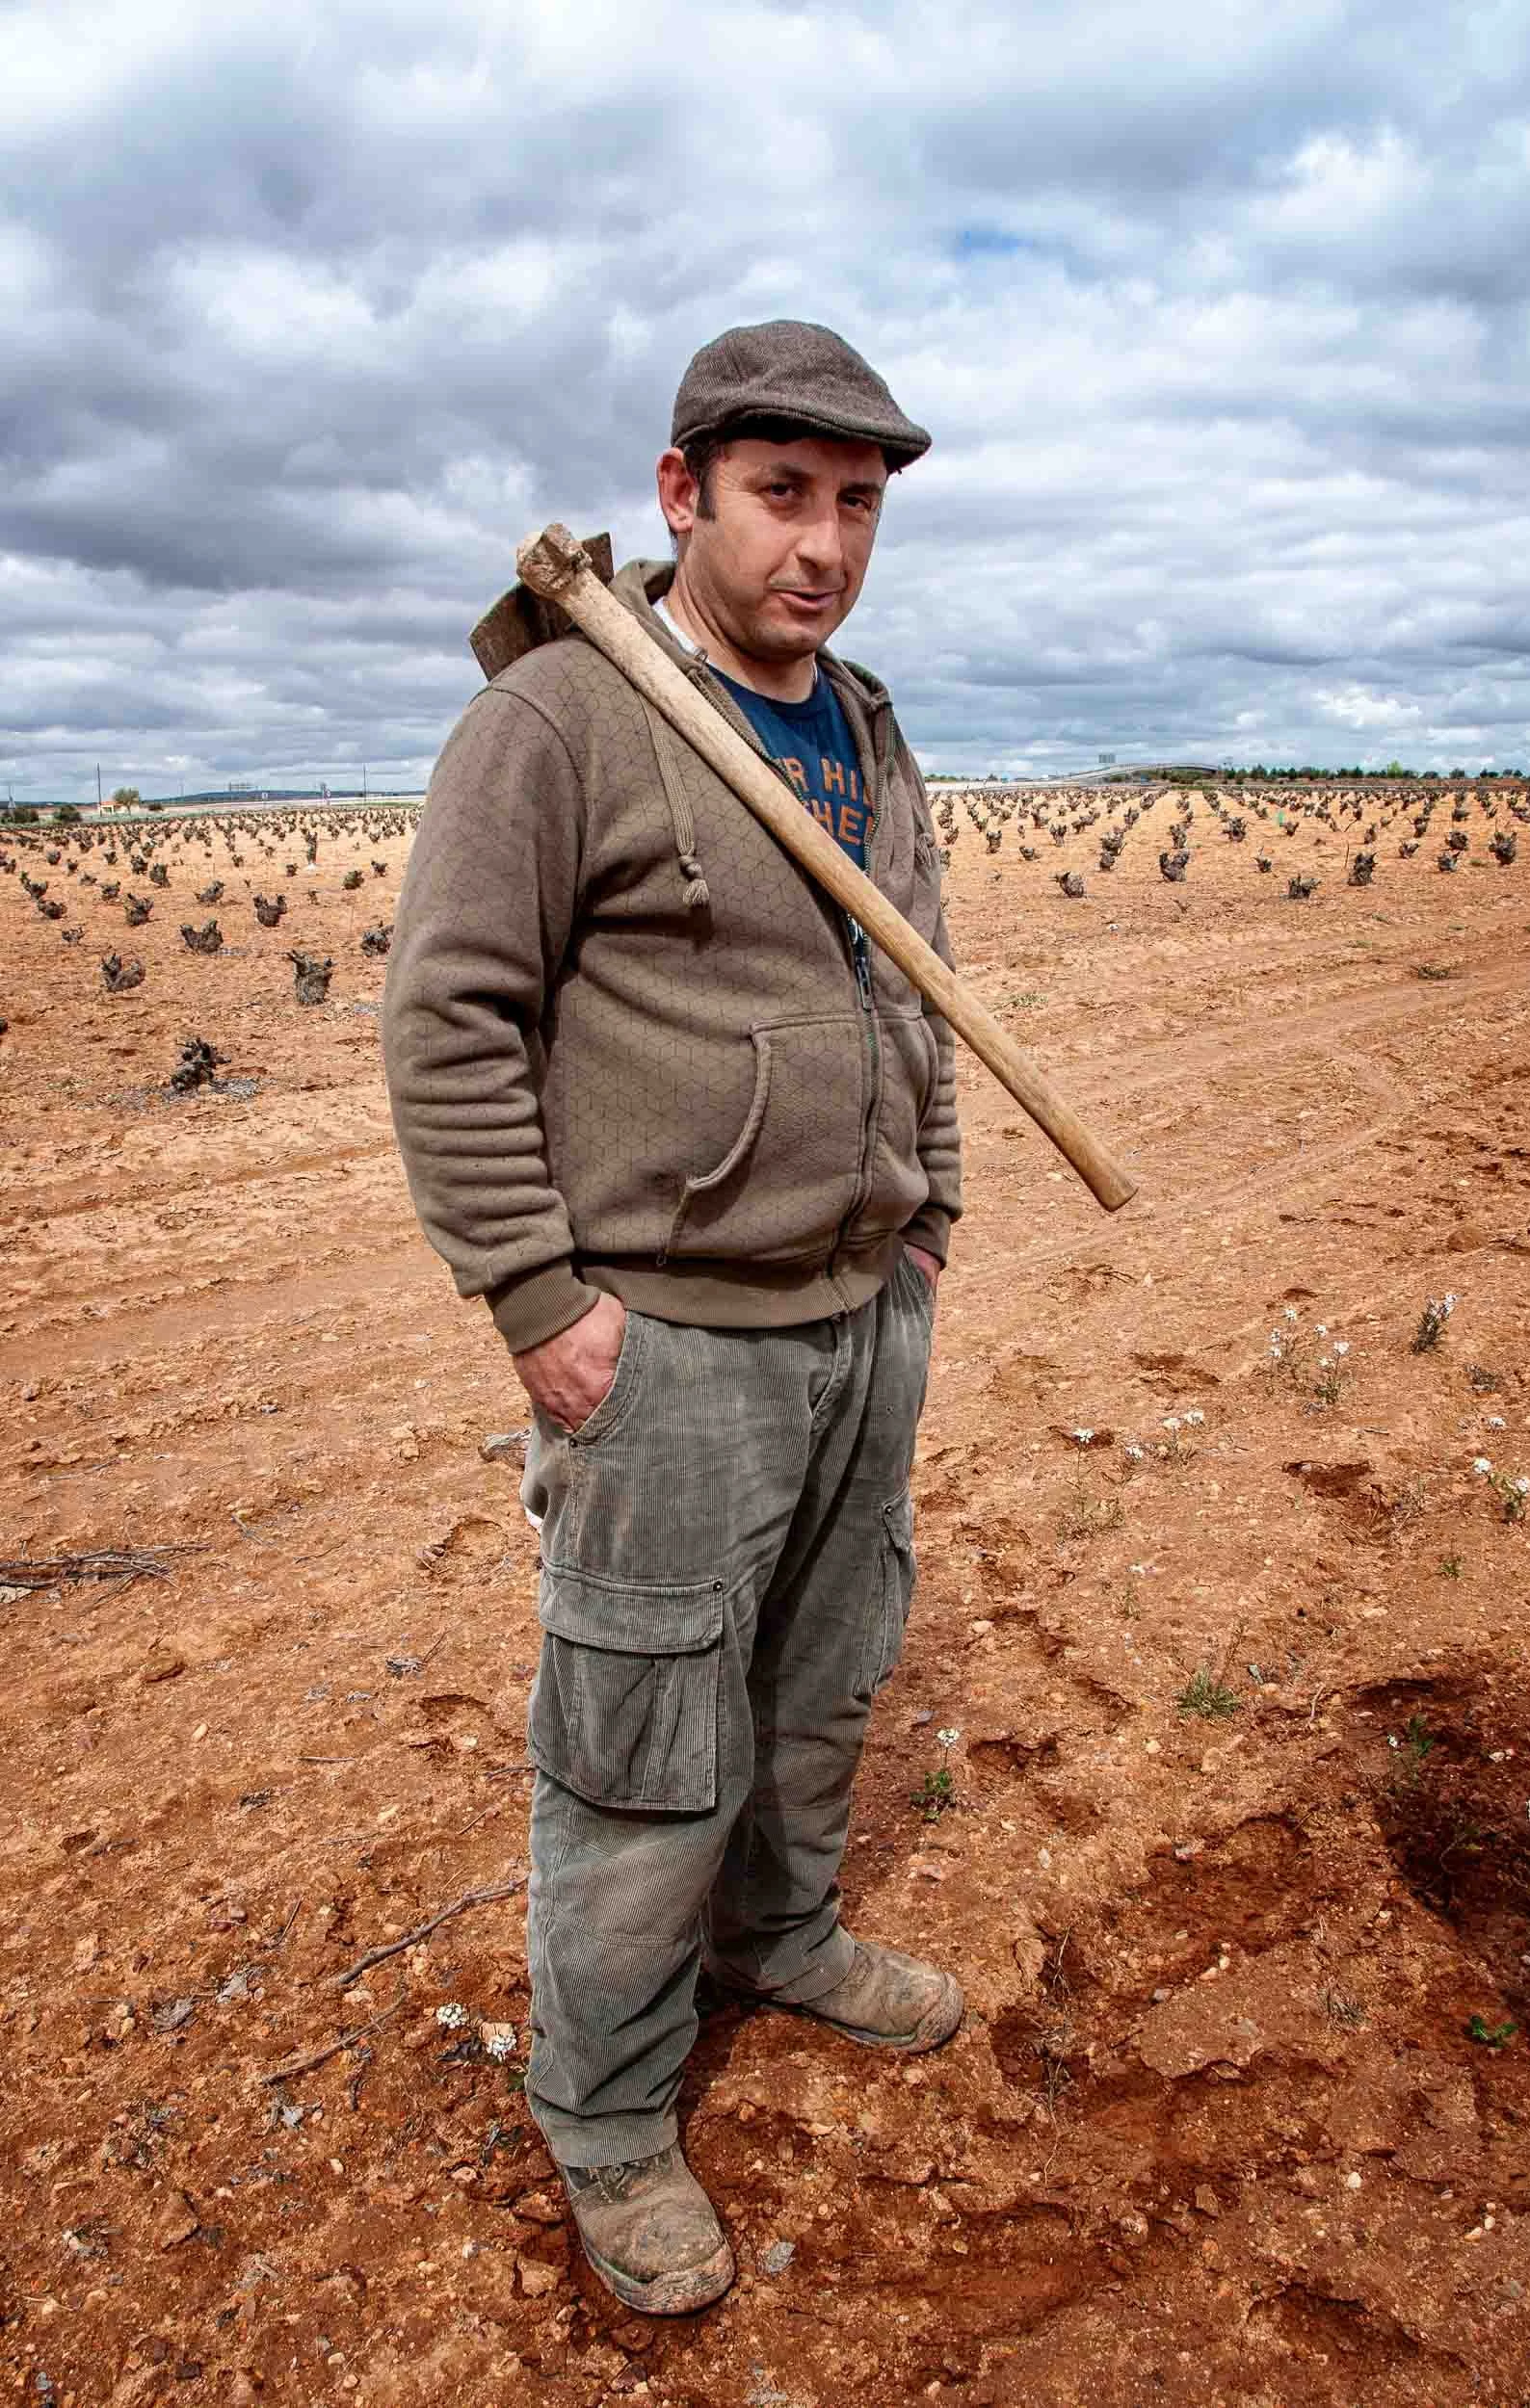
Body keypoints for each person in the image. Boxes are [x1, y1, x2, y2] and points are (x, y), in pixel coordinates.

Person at [382, 319, 963, 2316]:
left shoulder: (868, 726)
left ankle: (780, 1932)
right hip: (670, 1341)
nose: (821, 542)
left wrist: (928, 1220)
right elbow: (446, 1017)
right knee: (638, 1739)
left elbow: (918, 994)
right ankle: (609, 2104)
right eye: (781, 492)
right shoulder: (561, 719)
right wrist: (536, 1291)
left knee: (822, 1669)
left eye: (856, 503)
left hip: (858, 1313)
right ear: (678, 492)